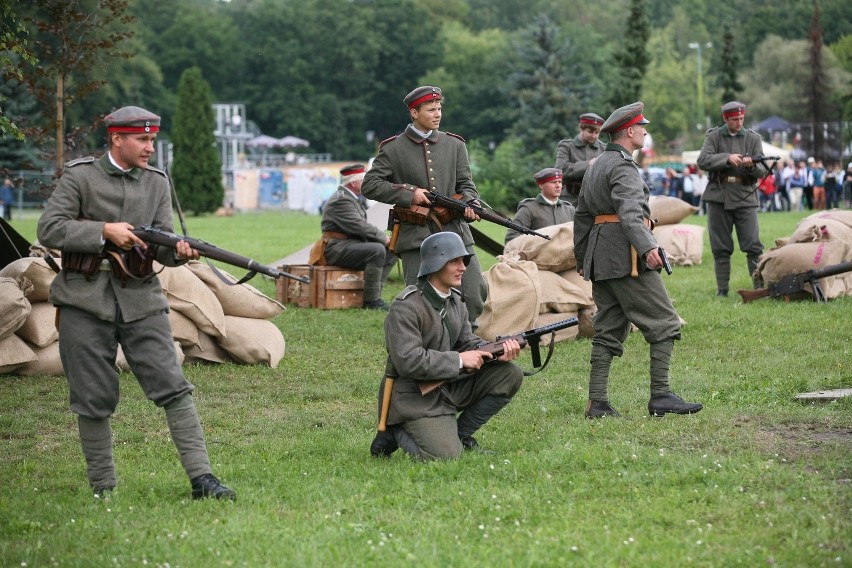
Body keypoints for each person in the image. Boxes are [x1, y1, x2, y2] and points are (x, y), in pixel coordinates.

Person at [37, 106, 235, 500]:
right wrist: (102, 231)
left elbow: (162, 243)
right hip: (83, 299)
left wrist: (178, 252)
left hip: (142, 299)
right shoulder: (81, 177)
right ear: (116, 139)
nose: (150, 148)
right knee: (92, 395)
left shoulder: (157, 183)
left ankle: (203, 479)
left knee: (174, 385)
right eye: (142, 140)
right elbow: (49, 228)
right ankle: (103, 487)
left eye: (152, 139)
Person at [573, 101, 702, 419]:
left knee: (608, 328)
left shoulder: (596, 165)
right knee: (665, 323)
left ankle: (597, 403)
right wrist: (649, 248)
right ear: (629, 131)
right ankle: (660, 396)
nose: (645, 131)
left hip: (601, 257)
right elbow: (631, 214)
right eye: (642, 127)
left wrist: (582, 258)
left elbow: (582, 217)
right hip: (625, 255)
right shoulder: (622, 166)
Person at [369, 232, 523, 460]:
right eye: (455, 261)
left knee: (508, 375)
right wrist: (460, 360)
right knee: (445, 458)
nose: (463, 268)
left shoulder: (456, 301)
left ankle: (460, 435)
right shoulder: (406, 307)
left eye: (463, 261)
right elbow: (408, 361)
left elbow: (467, 342)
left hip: (445, 385)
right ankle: (395, 430)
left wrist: (494, 351)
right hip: (413, 397)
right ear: (435, 264)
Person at [362, 85, 488, 326]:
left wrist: (471, 202)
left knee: (474, 292)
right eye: (431, 109)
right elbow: (370, 185)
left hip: (455, 231)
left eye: (439, 108)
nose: (438, 114)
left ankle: (466, 339)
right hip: (415, 235)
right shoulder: (393, 148)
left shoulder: (456, 145)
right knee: (418, 298)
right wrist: (410, 193)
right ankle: (429, 343)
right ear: (414, 113)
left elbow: (466, 185)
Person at [697, 101, 767, 297]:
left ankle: (758, 287)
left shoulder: (753, 139)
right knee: (720, 247)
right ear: (725, 119)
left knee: (753, 245)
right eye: (734, 119)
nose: (739, 122)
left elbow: (762, 170)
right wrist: (726, 158)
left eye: (741, 118)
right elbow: (703, 160)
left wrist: (750, 165)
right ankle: (722, 289)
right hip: (718, 195)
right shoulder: (714, 136)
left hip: (745, 195)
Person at [319, 163, 397, 310]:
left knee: (391, 249)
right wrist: (383, 237)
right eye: (363, 181)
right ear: (354, 183)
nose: (366, 184)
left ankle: (375, 294)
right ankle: (371, 301)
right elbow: (359, 226)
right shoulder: (342, 200)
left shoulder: (349, 197)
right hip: (337, 248)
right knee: (377, 249)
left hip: (348, 244)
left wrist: (385, 240)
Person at [504, 167, 575, 244]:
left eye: (560, 182)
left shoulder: (569, 209)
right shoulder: (529, 208)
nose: (558, 186)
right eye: (553, 182)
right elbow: (512, 238)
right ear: (541, 185)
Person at [555, 112, 606, 206]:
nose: (594, 136)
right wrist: (588, 164)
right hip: (570, 199)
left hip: (595, 201)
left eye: (597, 133)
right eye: (590, 132)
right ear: (581, 129)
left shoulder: (604, 149)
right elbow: (560, 169)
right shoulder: (567, 146)